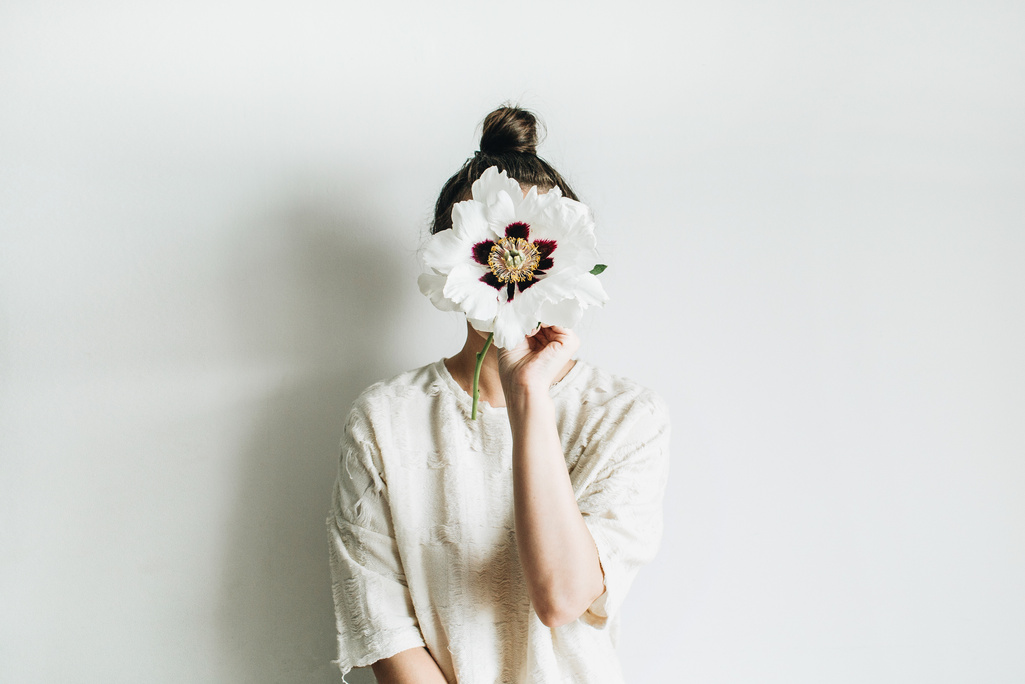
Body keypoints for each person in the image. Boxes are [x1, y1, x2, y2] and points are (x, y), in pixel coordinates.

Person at [326, 106, 671, 683]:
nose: (511, 259)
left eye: (525, 247)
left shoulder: (625, 417)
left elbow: (563, 598)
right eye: (490, 242)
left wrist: (527, 393)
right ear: (451, 259)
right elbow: (385, 633)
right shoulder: (384, 420)